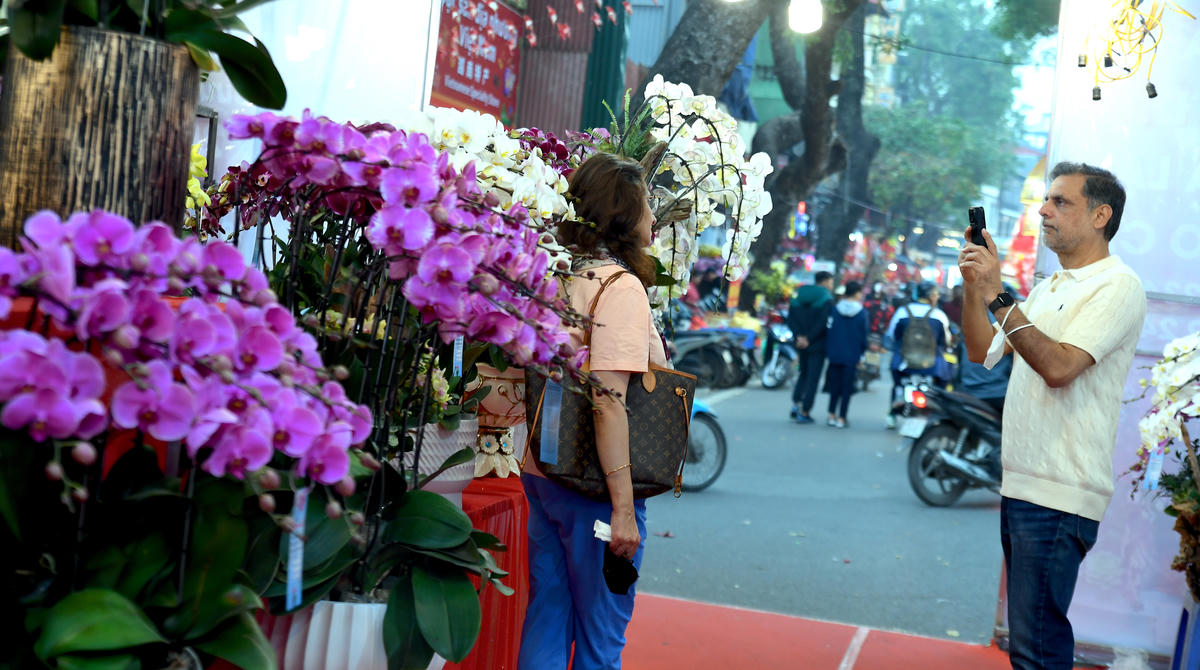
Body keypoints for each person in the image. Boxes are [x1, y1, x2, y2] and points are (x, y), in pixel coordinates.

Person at [958, 162, 1145, 670]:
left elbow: (1059, 367)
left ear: (1100, 215)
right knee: (1029, 646)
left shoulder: (1118, 285)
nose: (1043, 210)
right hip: (1023, 484)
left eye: (1061, 202)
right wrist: (976, 287)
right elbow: (981, 350)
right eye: (1047, 200)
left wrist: (999, 294)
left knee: (1037, 650)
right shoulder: (1051, 285)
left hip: (1060, 494)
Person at [519, 153, 666, 669]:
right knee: (601, 642)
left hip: (545, 469)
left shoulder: (556, 275)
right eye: (648, 204)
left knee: (548, 616)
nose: (655, 215)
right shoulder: (617, 288)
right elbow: (608, 401)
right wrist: (624, 509)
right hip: (594, 486)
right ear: (625, 214)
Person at [883, 282, 951, 427]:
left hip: (903, 363)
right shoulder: (939, 315)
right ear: (932, 296)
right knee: (944, 381)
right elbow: (945, 341)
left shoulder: (902, 312)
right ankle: (940, 415)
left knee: (897, 385)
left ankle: (892, 415)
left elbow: (892, 336)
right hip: (931, 365)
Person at [787, 271, 835, 423]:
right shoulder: (826, 298)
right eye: (831, 282)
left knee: (803, 373)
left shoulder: (799, 294)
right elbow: (822, 322)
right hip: (817, 344)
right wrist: (809, 338)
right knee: (813, 378)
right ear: (826, 281)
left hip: (800, 343)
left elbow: (791, 319)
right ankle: (805, 411)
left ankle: (796, 403)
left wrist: (799, 336)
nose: (832, 285)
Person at [823, 281, 869, 428]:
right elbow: (863, 337)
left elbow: (829, 331)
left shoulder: (835, 309)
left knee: (834, 385)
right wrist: (861, 355)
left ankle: (831, 415)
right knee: (846, 388)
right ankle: (842, 418)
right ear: (856, 293)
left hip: (835, 353)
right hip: (852, 355)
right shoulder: (862, 313)